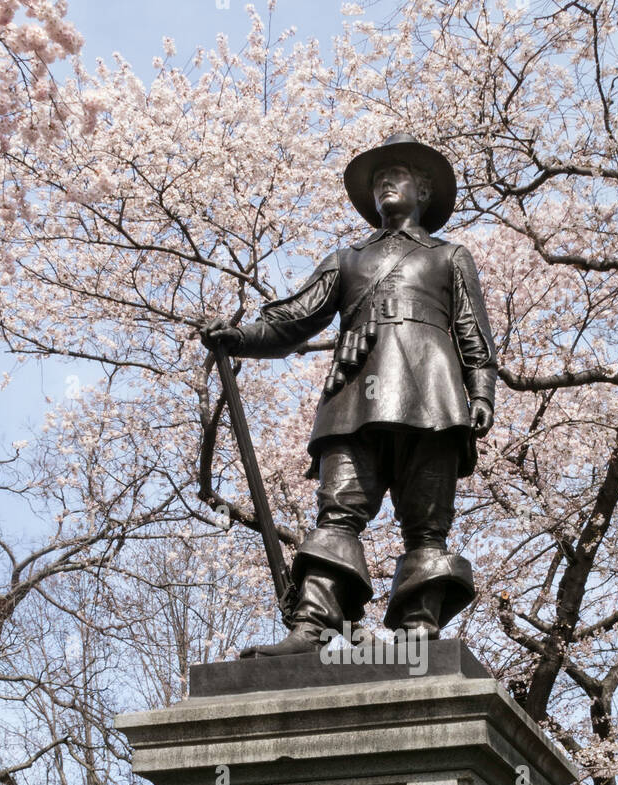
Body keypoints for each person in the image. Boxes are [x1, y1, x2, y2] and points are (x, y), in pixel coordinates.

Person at [200, 132, 497, 656]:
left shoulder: (451, 256)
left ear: (424, 191)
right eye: (379, 177)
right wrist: (240, 337)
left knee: (428, 523)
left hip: (432, 391)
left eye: (398, 174)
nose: (385, 182)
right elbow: (294, 319)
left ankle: (417, 633)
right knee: (338, 508)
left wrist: (482, 392)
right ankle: (314, 624)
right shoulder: (348, 259)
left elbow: (474, 334)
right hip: (356, 392)